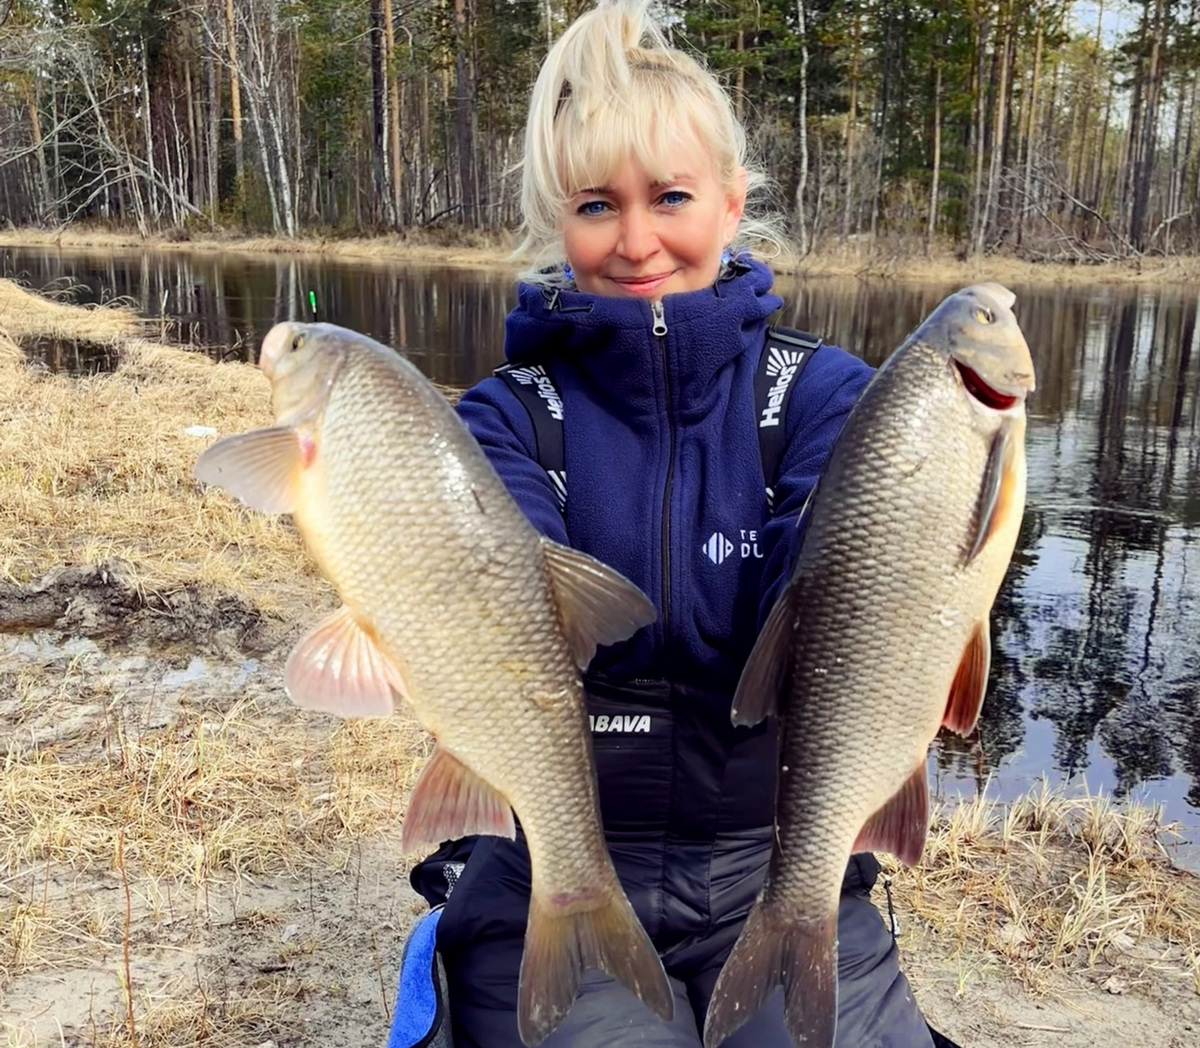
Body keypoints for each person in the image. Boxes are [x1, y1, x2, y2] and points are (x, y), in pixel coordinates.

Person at [407, 3, 938, 1046]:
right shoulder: (504, 414)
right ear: (557, 222)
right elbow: (495, 612)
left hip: (782, 865)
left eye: (674, 197)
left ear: (733, 205)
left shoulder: (829, 395)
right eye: (598, 204)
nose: (637, 239)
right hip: (550, 864)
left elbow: (840, 589)